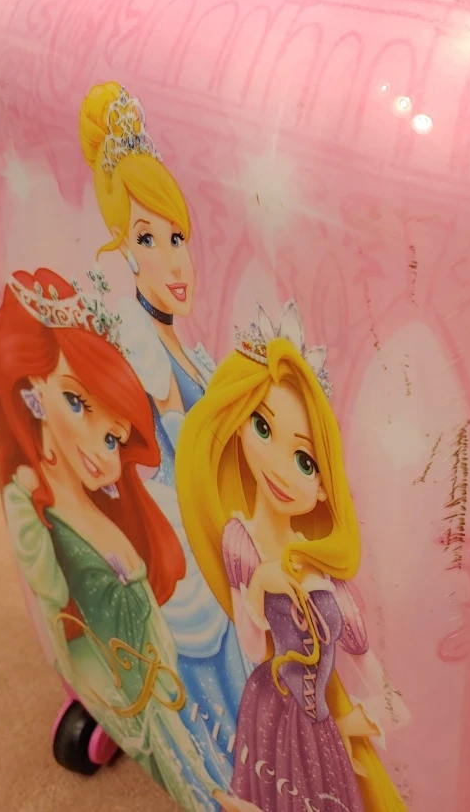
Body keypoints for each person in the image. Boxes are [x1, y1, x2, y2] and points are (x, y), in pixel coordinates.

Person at [0, 268, 231, 812]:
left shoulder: (113, 510)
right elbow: (53, 596)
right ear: (36, 388)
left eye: (114, 438)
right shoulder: (35, 503)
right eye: (77, 402)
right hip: (139, 707)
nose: (100, 448)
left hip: (164, 706)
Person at [80, 81, 249, 785]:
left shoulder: (186, 348)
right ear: (124, 251)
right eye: (148, 239)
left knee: (242, 699)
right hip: (183, 568)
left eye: (177, 237)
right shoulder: (148, 352)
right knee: (217, 707)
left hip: (213, 555)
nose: (173, 260)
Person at [177, 300, 409, 812]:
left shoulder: (324, 574)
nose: (282, 471)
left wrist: (365, 718)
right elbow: (251, 644)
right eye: (263, 428)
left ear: (325, 487)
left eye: (305, 461)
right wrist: (259, 583)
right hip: (268, 708)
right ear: (240, 423)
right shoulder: (241, 539)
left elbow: (377, 680)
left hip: (320, 725)